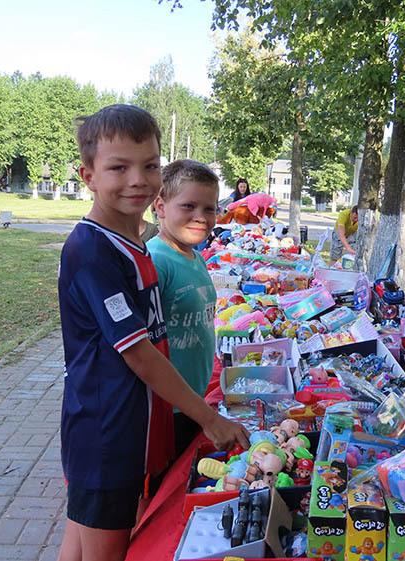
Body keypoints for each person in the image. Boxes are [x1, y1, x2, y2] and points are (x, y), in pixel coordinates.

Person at [57, 104, 249, 561]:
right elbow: (139, 354)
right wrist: (209, 418)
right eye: (118, 168)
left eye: (149, 166)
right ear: (88, 176)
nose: (137, 180)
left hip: (129, 429)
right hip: (106, 434)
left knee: (81, 543)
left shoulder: (133, 243)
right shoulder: (93, 252)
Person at [147, 159, 219, 457]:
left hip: (192, 401)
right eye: (188, 206)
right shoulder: (155, 261)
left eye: (209, 208)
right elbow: (142, 349)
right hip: (168, 409)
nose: (200, 217)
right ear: (161, 206)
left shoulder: (196, 257)